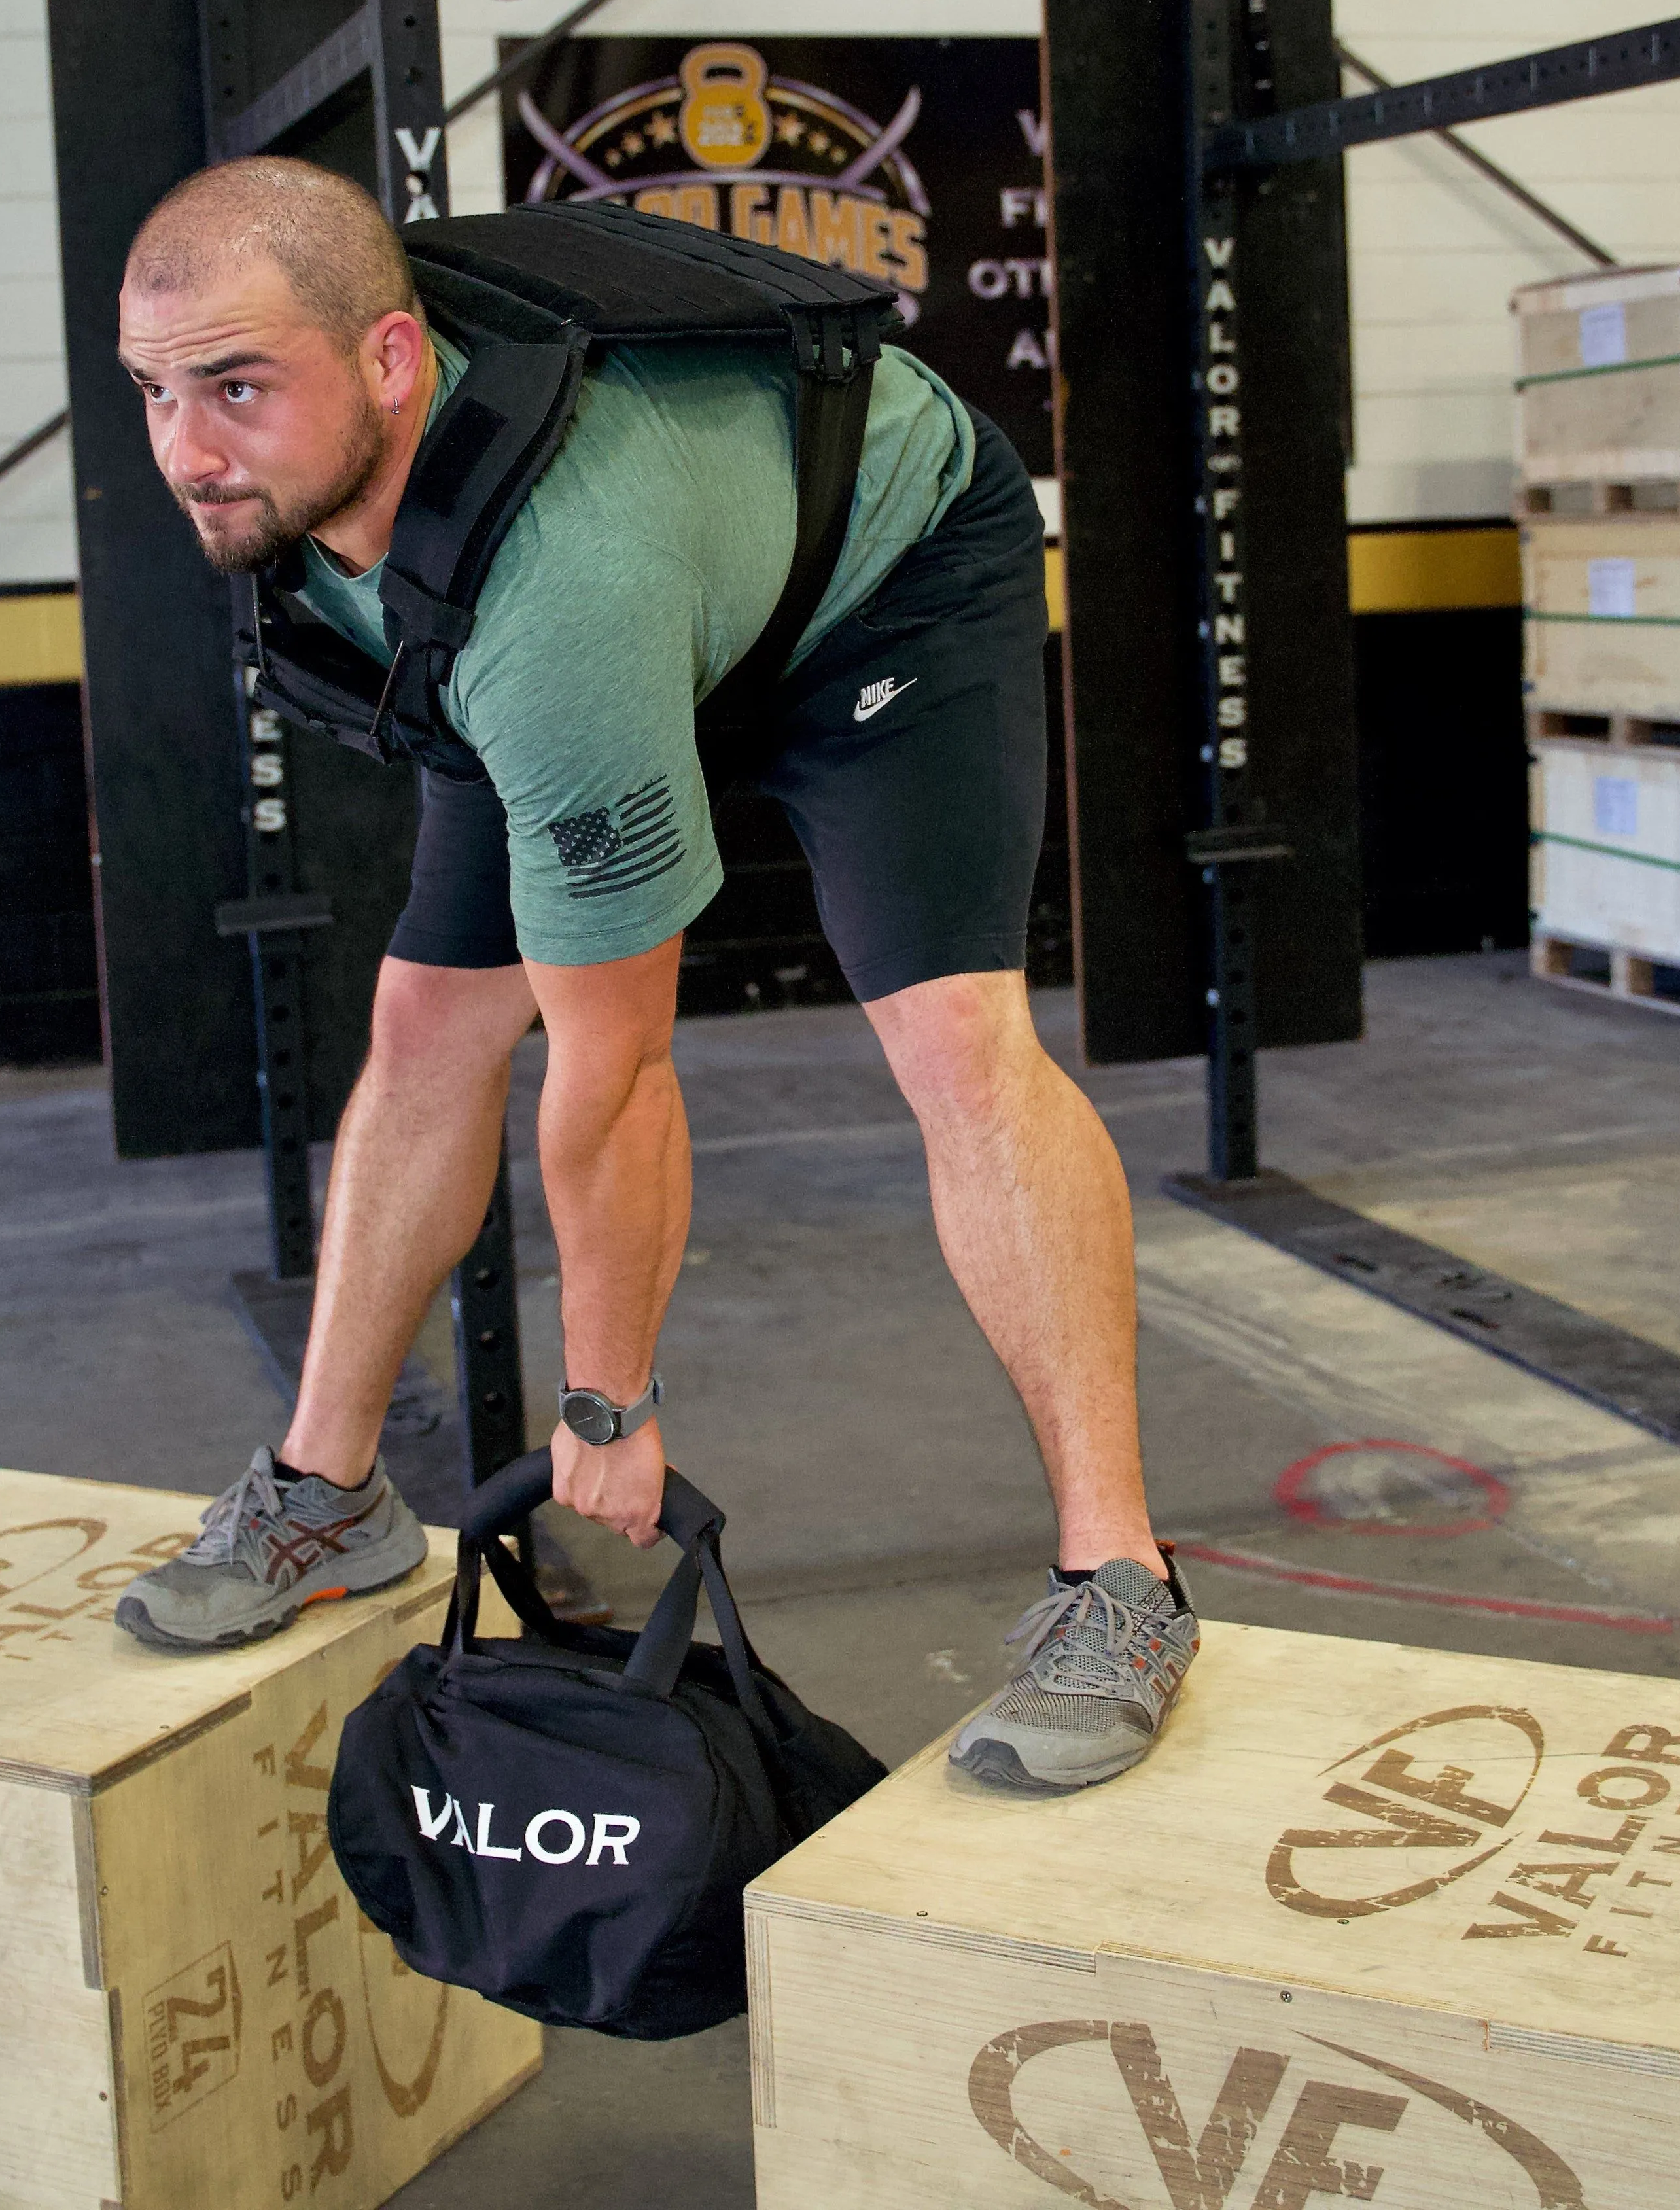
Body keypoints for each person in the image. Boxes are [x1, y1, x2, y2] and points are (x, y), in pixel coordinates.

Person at [109, 156, 1195, 1796]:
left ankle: (1122, 1583)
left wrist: (607, 1407)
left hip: (875, 580)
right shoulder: (331, 496)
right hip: (595, 607)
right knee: (425, 1022)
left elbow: (616, 1075)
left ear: (393, 363)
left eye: (237, 388)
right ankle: (325, 1495)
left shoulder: (563, 603)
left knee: (957, 1040)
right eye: (155, 391)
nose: (187, 451)